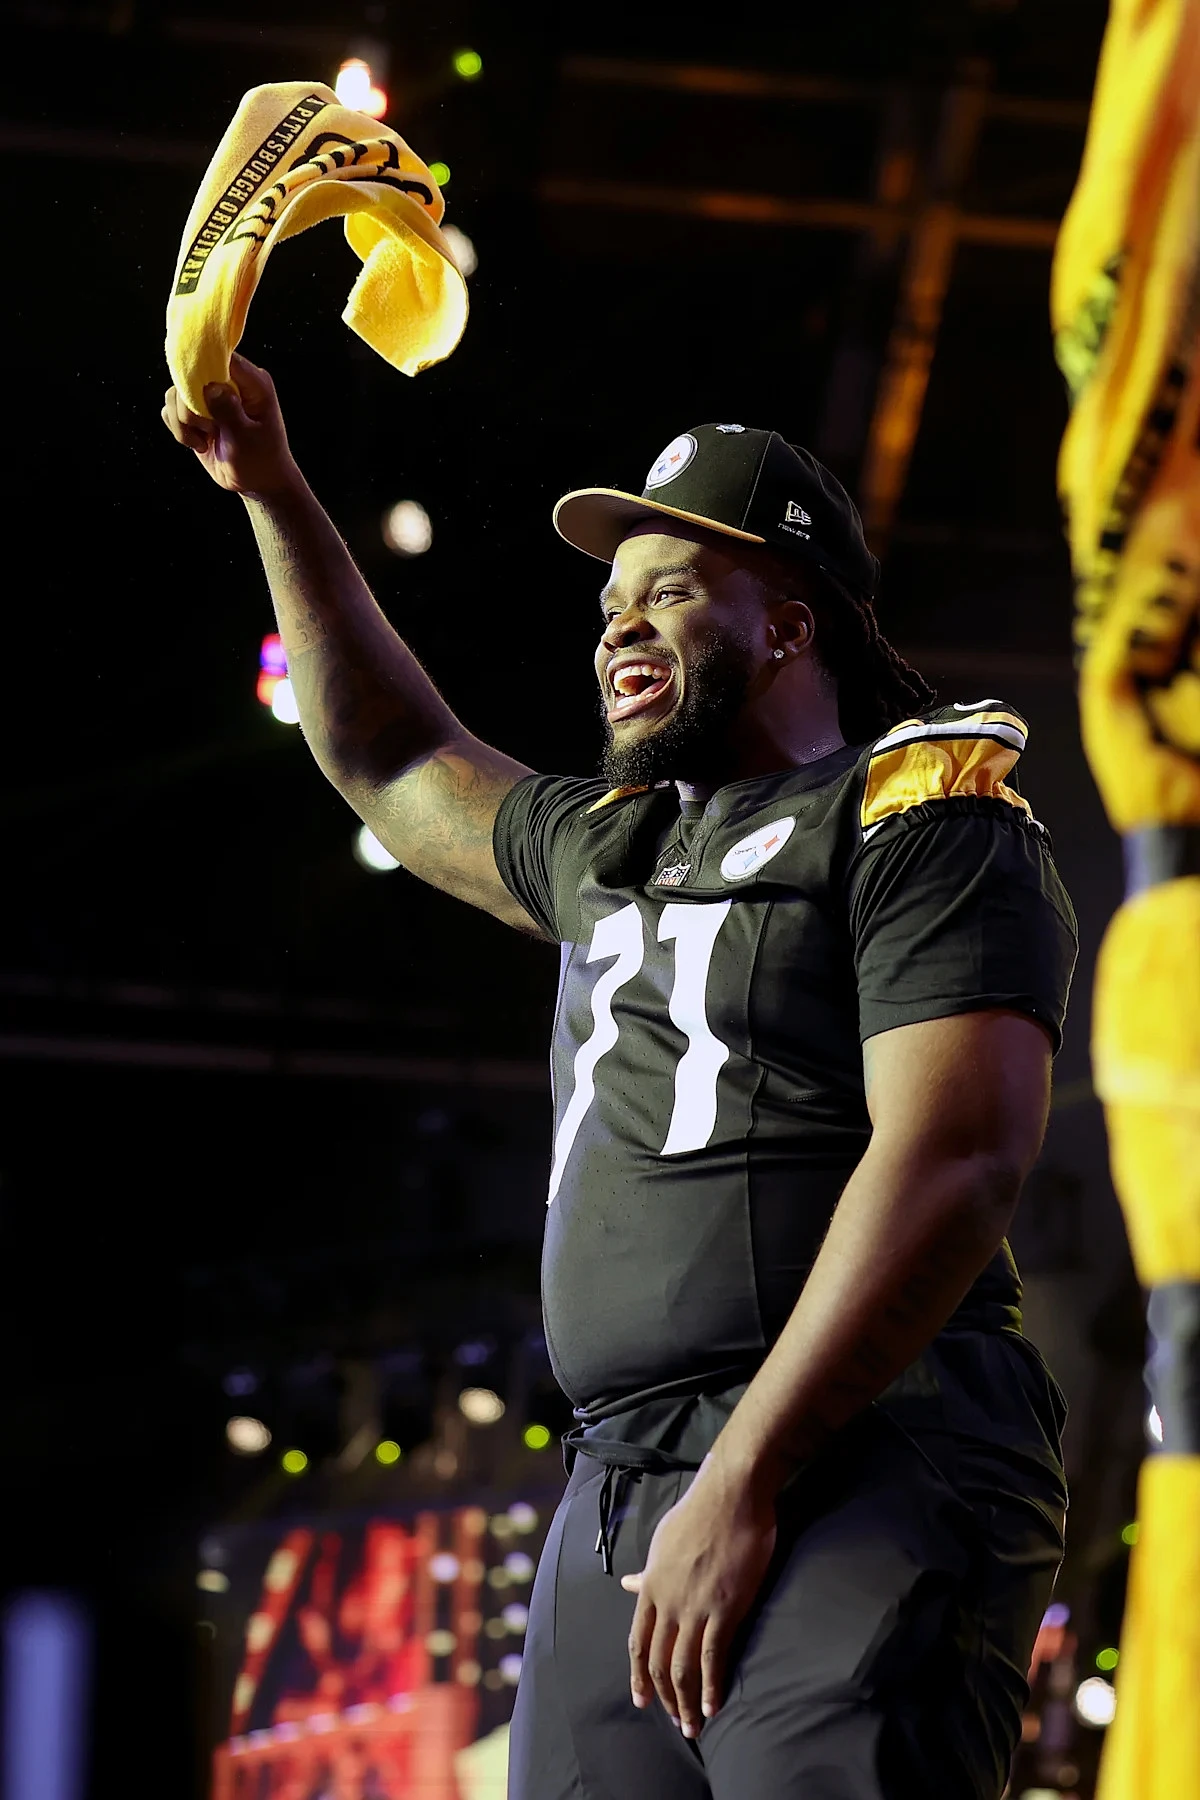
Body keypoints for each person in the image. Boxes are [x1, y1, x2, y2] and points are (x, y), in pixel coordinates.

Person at [164, 359, 1077, 1800]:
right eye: (609, 603)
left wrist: (746, 1474)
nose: (618, 625)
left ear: (789, 623)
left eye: (669, 590)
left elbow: (957, 1159)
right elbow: (391, 753)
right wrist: (272, 484)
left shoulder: (918, 815)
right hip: (621, 1478)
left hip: (867, 1448)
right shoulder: (608, 844)